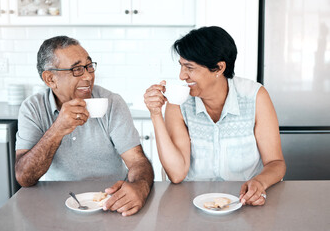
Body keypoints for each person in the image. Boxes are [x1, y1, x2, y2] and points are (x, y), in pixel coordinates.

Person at [144, 26, 286, 206]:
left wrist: (259, 183)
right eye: (181, 66)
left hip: (245, 202)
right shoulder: (179, 102)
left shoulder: (255, 96)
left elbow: (276, 162)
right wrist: (156, 114)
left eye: (189, 67)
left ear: (219, 68)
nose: (182, 76)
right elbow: (177, 173)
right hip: (194, 203)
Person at [15, 36, 154, 216]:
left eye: (89, 66)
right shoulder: (32, 108)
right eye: (77, 69)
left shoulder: (112, 103)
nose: (88, 76)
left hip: (109, 201)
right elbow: (24, 177)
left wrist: (140, 188)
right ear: (50, 79)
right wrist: (58, 129)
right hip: (53, 205)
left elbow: (137, 162)